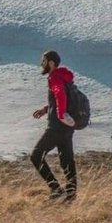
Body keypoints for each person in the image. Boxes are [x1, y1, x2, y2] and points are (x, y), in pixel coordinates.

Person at [30, 50, 77, 202]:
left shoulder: (54, 77)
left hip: (56, 126)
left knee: (36, 155)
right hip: (67, 127)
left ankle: (56, 189)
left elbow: (60, 95)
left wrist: (60, 114)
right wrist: (46, 109)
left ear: (51, 63)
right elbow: (58, 97)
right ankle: (71, 195)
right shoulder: (64, 76)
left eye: (43, 61)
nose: (41, 64)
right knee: (67, 160)